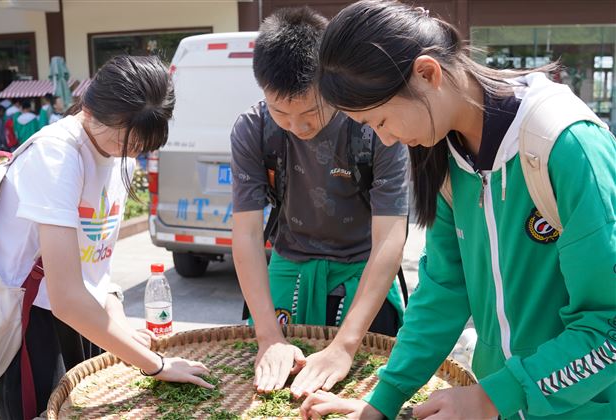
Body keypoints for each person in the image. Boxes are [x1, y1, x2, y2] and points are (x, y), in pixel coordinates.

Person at [300, 1, 616, 419]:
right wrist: (383, 401)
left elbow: (608, 328)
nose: (387, 139)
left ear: (428, 74)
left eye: (380, 120)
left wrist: (493, 397)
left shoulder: (565, 145)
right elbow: (446, 287)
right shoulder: (448, 155)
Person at [0, 55, 213, 420]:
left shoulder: (119, 152)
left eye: (143, 143)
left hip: (81, 313)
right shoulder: (57, 155)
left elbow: (97, 264)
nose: (133, 150)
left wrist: (121, 327)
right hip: (30, 326)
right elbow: (66, 299)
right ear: (90, 109)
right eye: (126, 139)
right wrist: (155, 364)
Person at [231, 7, 410, 399]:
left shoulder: (374, 124)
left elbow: (390, 239)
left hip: (361, 270)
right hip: (288, 264)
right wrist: (267, 336)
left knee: (363, 385)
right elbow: (245, 234)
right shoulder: (252, 129)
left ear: (330, 80)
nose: (298, 127)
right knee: (264, 387)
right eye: (281, 112)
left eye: (310, 112)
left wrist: (345, 347)